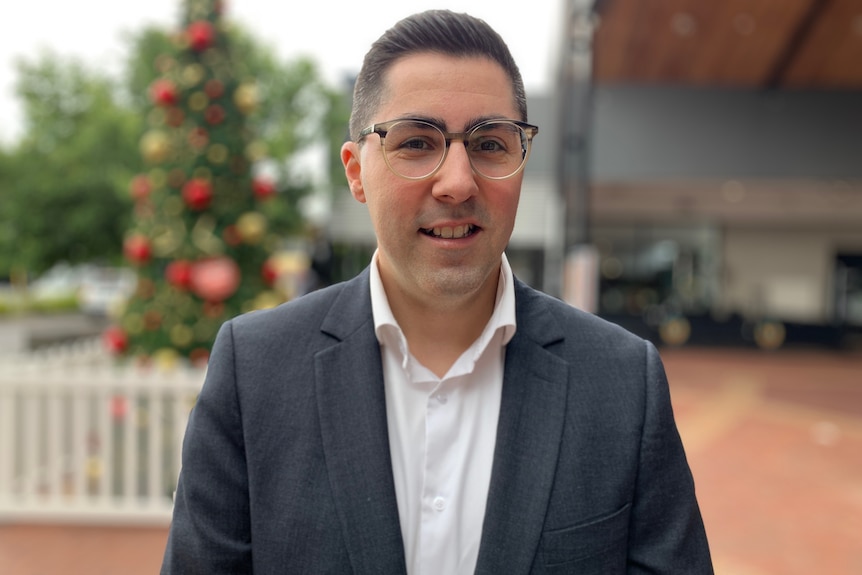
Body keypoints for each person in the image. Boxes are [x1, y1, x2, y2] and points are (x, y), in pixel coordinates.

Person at [161, 9, 713, 574]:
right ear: (355, 171)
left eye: (491, 144)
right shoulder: (255, 371)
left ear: (522, 162)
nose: (457, 182)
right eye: (417, 142)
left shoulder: (622, 382)